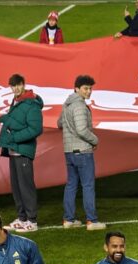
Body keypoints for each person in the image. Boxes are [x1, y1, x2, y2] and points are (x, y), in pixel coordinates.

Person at [0, 74, 44, 232]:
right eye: (12, 86)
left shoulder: (31, 104)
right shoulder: (16, 101)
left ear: (24, 85)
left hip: (23, 151)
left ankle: (32, 221)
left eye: (18, 85)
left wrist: (14, 138)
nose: (15, 88)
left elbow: (36, 129)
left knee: (26, 186)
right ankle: (22, 218)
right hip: (13, 151)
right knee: (16, 187)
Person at [58, 75, 104, 230]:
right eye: (86, 88)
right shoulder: (79, 105)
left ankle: (68, 220)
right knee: (88, 186)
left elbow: (59, 124)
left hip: (69, 151)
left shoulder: (67, 104)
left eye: (90, 88)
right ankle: (92, 221)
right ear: (76, 89)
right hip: (83, 152)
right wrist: (95, 140)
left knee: (71, 185)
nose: (89, 91)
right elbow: (82, 130)